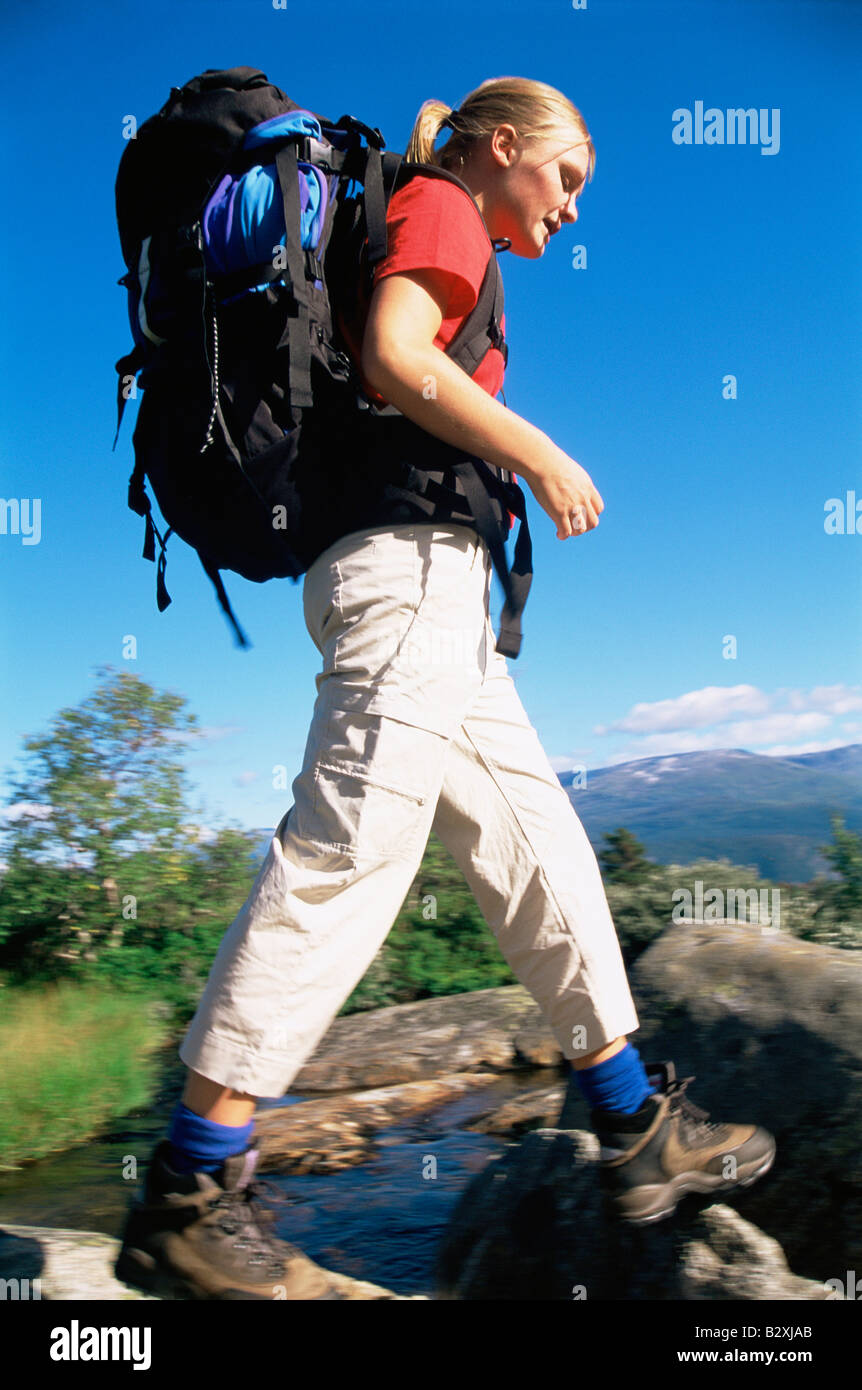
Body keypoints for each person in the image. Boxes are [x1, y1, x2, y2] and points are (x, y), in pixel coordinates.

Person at [115, 76, 775, 1300]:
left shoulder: (447, 214)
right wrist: (545, 454)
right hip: (405, 571)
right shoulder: (444, 205)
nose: (573, 209)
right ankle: (191, 1187)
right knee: (352, 843)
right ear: (506, 148)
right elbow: (396, 356)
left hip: (432, 588)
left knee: (538, 847)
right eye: (568, 178)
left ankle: (633, 1125)